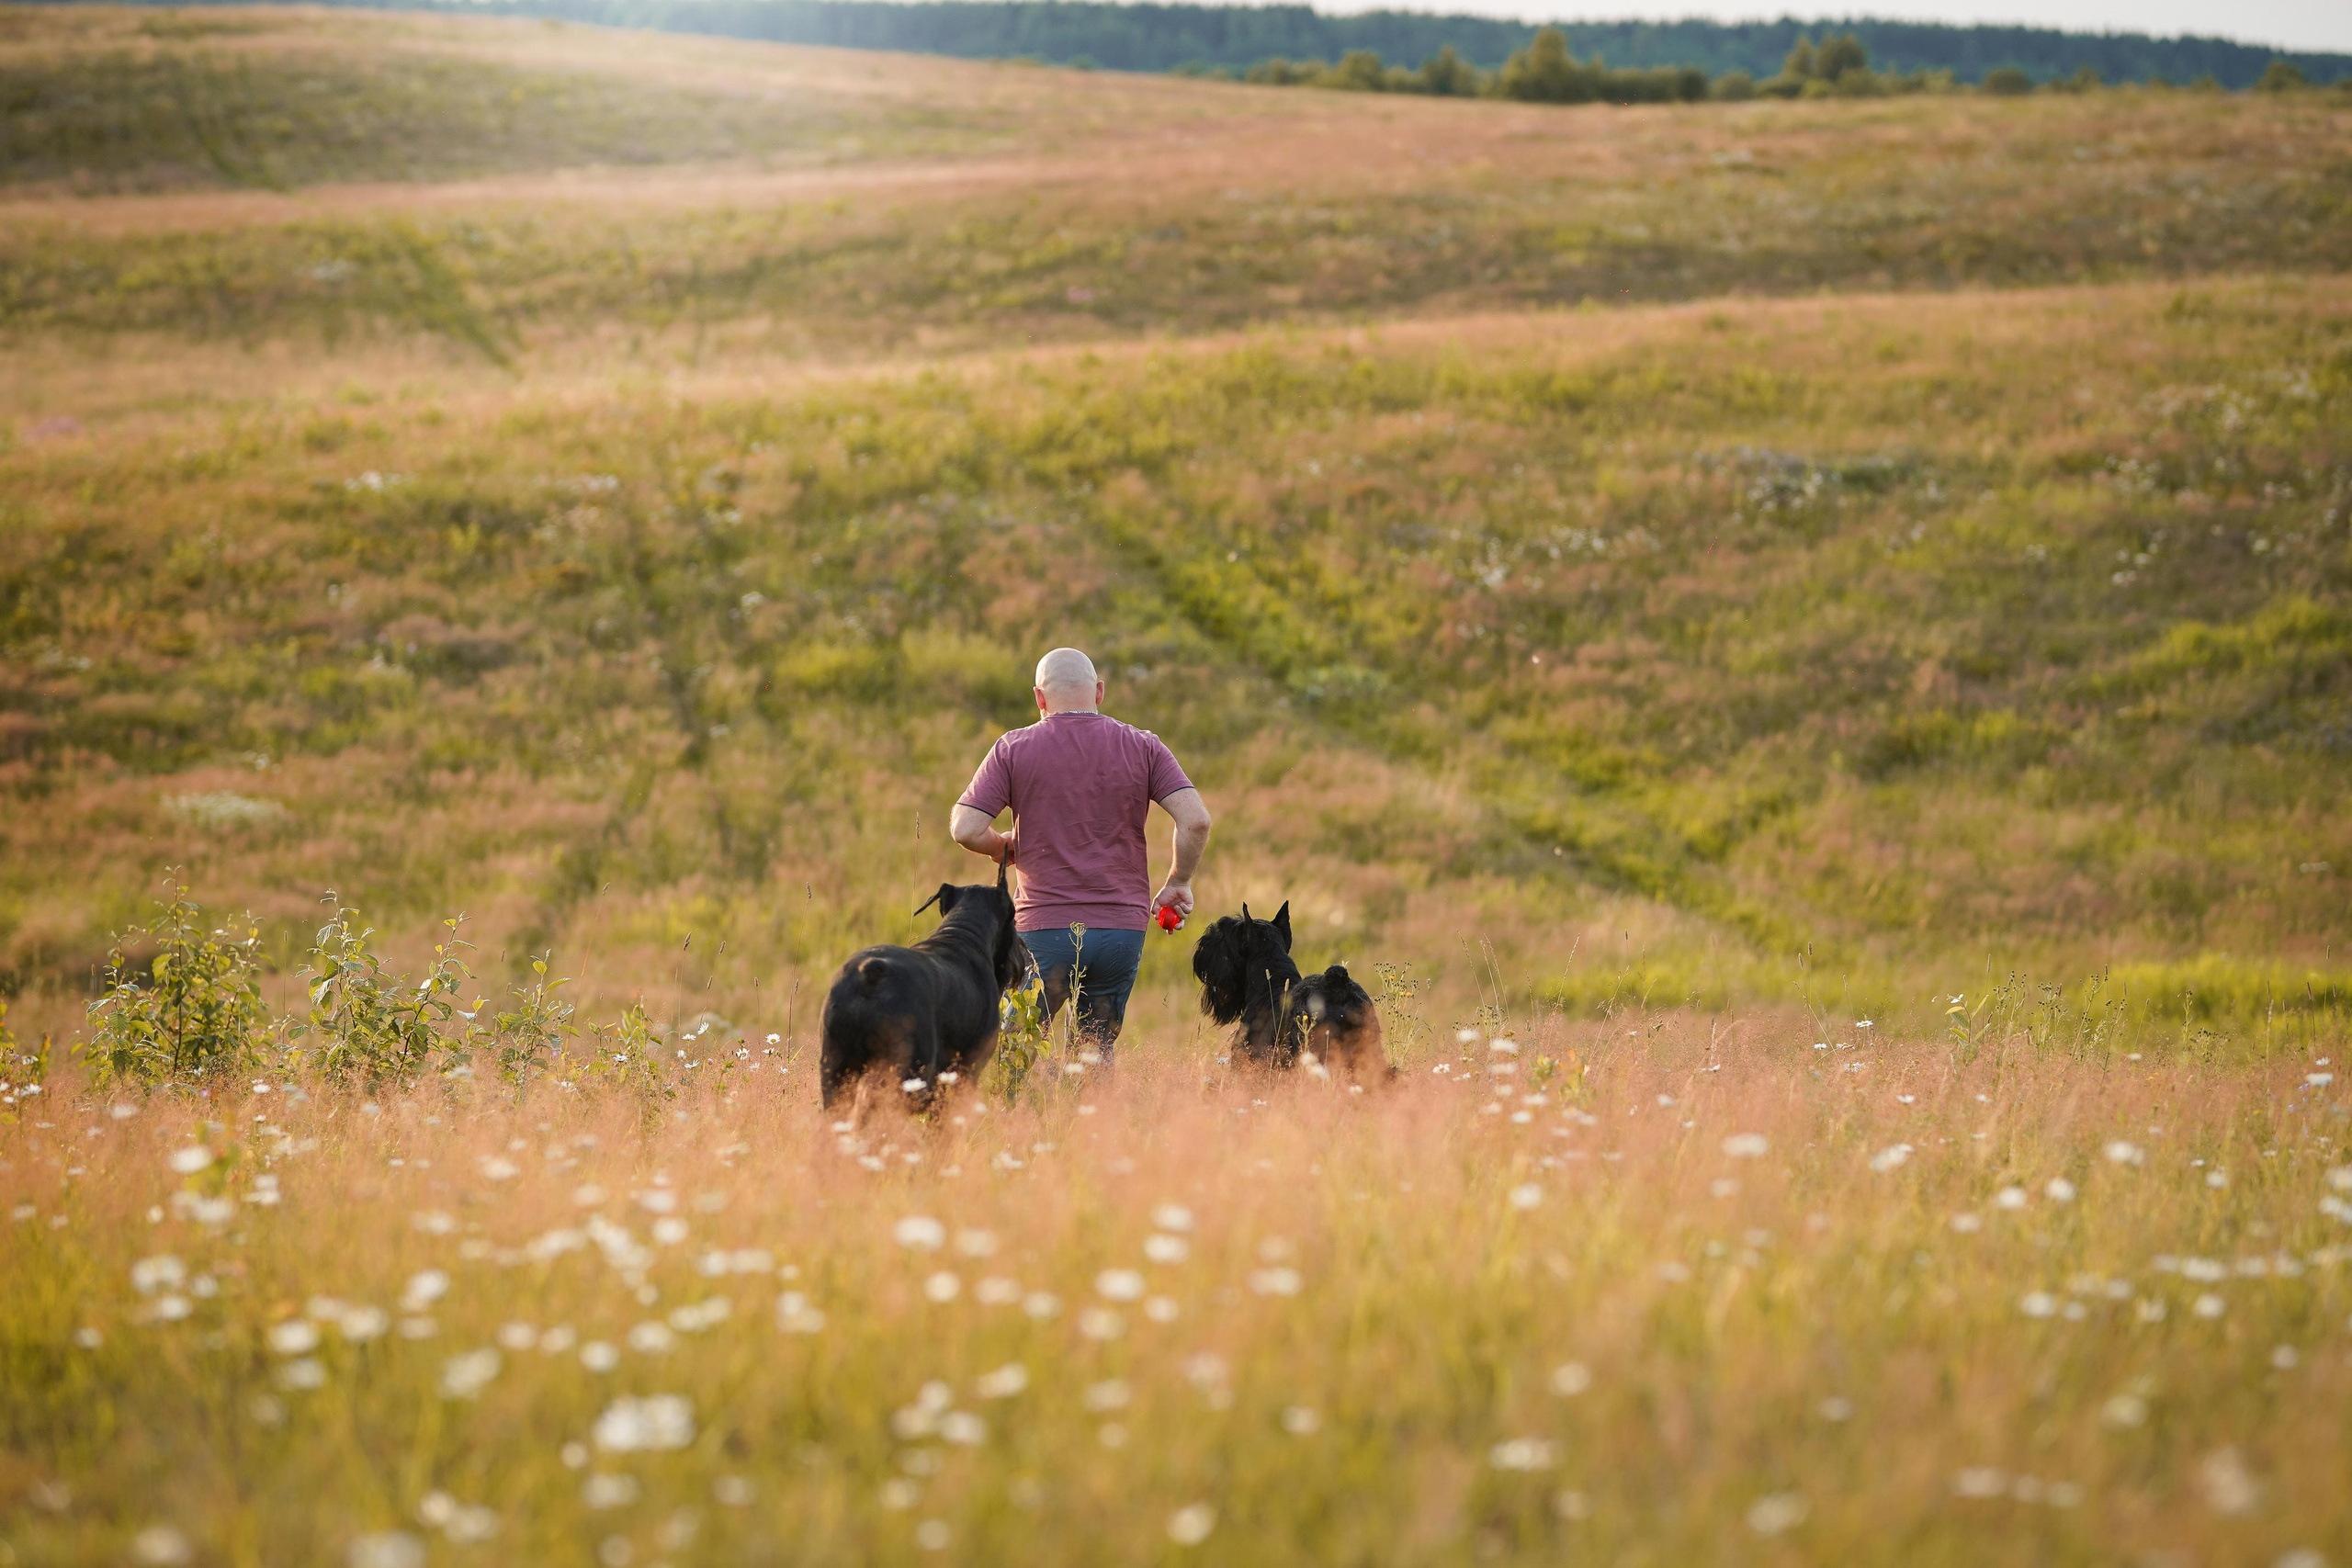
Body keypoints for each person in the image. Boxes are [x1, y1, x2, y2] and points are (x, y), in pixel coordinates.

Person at [949, 647, 1211, 1055]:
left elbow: (965, 828)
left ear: (1039, 698)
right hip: (1120, 931)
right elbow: (1196, 820)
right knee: (1092, 1057)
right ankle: (1090, 1120)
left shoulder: (1014, 748)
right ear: (1100, 692)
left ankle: (1012, 1118)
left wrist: (1000, 849)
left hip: (1042, 931)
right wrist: (1178, 882)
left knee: (1011, 1055)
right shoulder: (1143, 746)